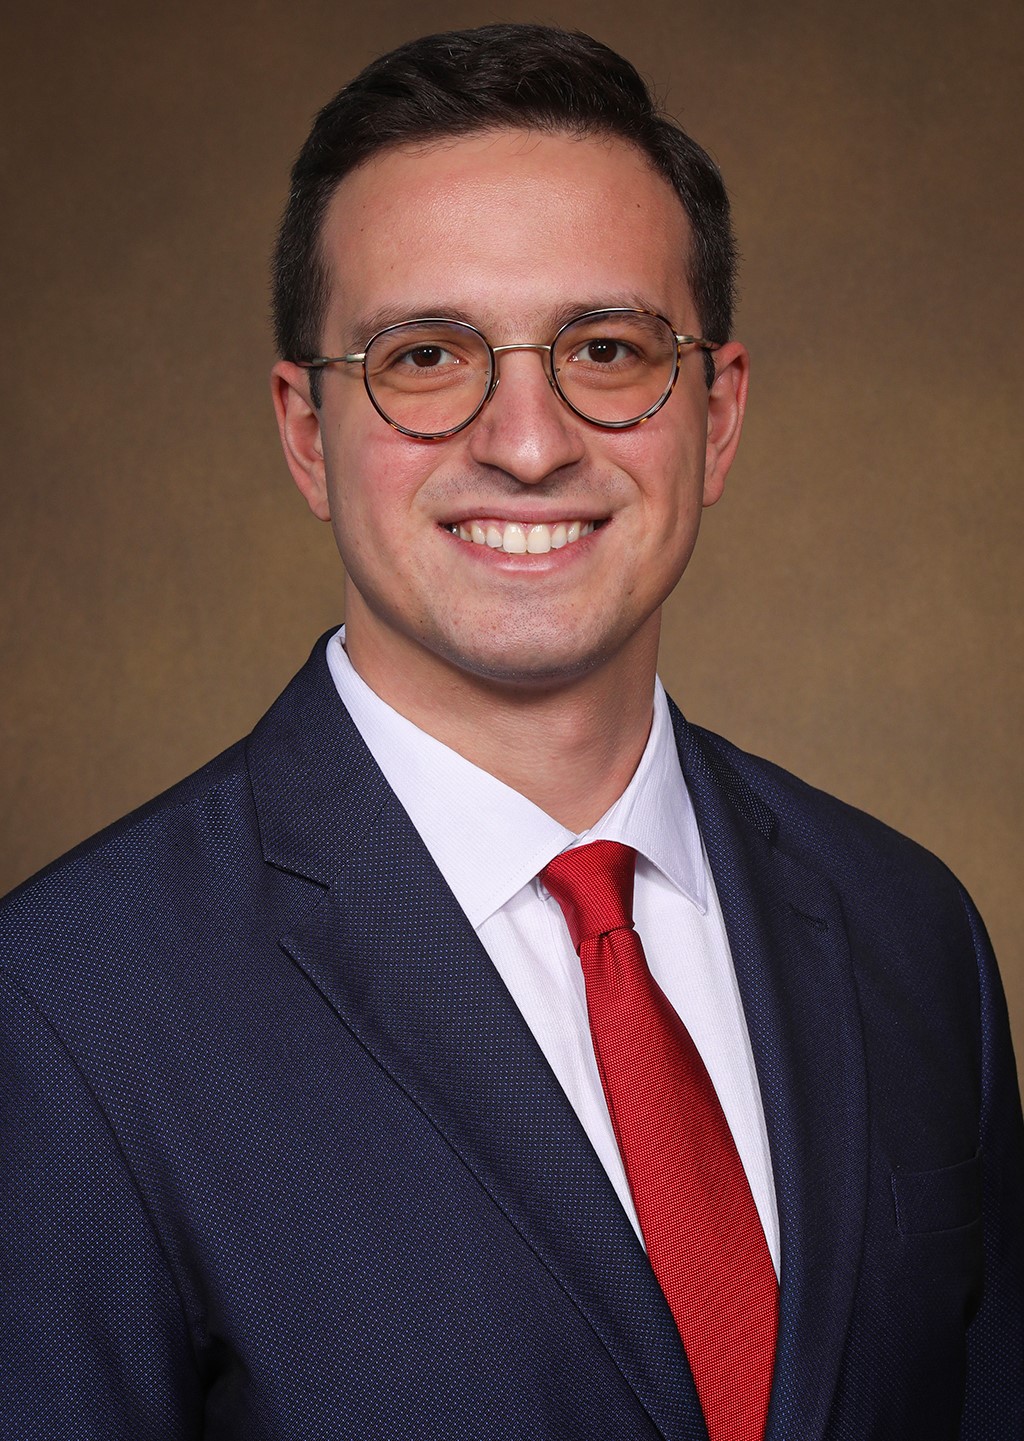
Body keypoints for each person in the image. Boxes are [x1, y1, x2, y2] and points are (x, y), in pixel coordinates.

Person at [1, 21, 1021, 1441]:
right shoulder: (67, 1002)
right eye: (426, 356)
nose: (529, 443)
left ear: (719, 416)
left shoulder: (909, 929)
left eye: (607, 349)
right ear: (306, 431)